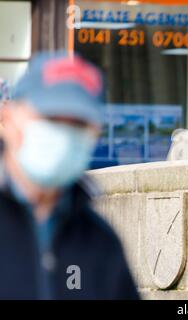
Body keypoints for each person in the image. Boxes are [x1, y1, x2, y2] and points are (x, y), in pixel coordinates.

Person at [0, 52, 139, 299]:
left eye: (78, 125)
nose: (62, 137)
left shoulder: (100, 241)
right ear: (9, 118)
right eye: (50, 118)